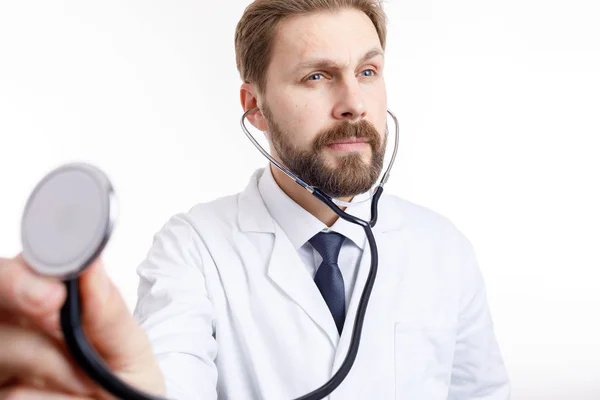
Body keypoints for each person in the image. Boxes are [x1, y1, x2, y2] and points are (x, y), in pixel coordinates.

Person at [0, 0, 511, 399]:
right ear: (255, 107)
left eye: (368, 72)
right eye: (317, 76)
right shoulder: (193, 249)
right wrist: (122, 387)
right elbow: (171, 381)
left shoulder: (444, 248)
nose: (354, 102)